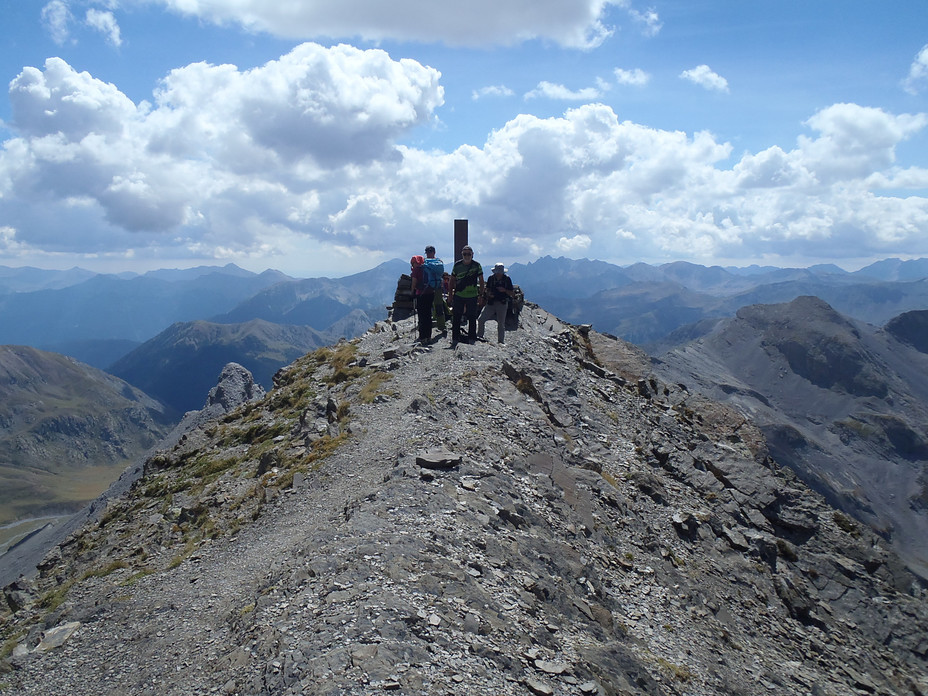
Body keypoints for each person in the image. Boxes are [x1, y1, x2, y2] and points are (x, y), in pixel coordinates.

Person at [448, 245, 484, 347]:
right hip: (459, 295)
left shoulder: (477, 265)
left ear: (472, 255)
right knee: (456, 317)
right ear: (462, 254)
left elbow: (481, 281)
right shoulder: (457, 265)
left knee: (472, 317)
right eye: (465, 254)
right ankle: (455, 338)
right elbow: (452, 280)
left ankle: (472, 338)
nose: (467, 256)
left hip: (472, 296)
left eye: (469, 254)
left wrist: (481, 295)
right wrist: (450, 294)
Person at [477, 262, 514, 344]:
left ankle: (500, 341)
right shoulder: (491, 278)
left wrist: (504, 290)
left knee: (501, 323)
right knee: (481, 319)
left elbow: (512, 293)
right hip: (491, 302)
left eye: (499, 272)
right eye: (497, 272)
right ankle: (479, 336)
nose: (498, 274)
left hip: (502, 303)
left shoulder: (507, 279)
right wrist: (488, 294)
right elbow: (487, 289)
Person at [409, 254, 433, 344]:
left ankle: (422, 337)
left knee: (422, 316)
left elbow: (414, 282)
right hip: (430, 293)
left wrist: (412, 293)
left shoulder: (416, 270)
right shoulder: (427, 268)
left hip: (421, 295)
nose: (412, 265)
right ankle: (429, 336)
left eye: (413, 263)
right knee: (428, 315)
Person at [423, 245, 446, 336]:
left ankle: (430, 325)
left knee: (429, 307)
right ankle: (441, 326)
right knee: (439, 306)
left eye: (429, 252)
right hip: (438, 286)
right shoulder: (439, 262)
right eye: (428, 252)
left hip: (428, 287)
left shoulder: (424, 262)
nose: (428, 254)